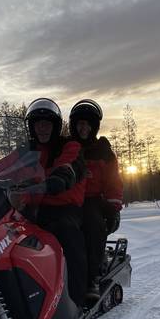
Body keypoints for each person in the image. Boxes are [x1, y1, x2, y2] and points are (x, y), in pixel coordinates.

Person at [0, 98, 88, 308]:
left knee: (65, 233)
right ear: (31, 126)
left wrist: (60, 177)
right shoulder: (25, 151)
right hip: (30, 208)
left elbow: (68, 164)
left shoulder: (69, 145)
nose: (42, 128)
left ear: (55, 126)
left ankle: (76, 299)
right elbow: (0, 167)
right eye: (38, 123)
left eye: (47, 123)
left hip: (62, 206)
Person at [69, 99, 123, 300]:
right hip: (68, 200)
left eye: (87, 124)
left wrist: (114, 205)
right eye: (79, 124)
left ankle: (92, 277)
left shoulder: (103, 151)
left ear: (94, 126)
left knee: (92, 224)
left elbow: (113, 180)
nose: (83, 128)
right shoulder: (67, 147)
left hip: (94, 200)